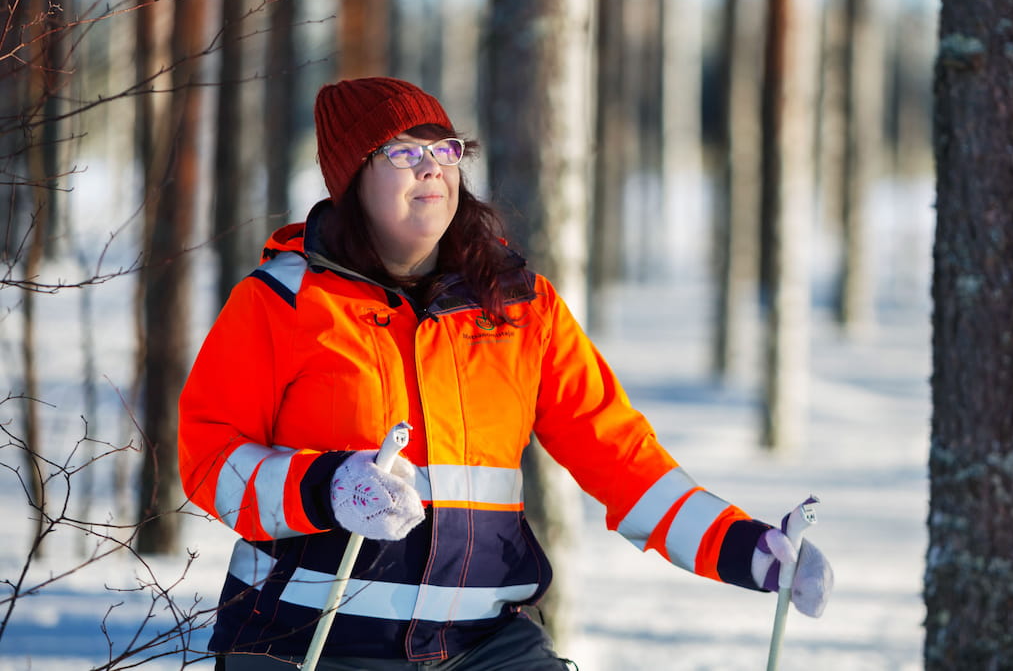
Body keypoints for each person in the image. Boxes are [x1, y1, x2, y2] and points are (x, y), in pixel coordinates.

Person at [178, 77, 832, 670]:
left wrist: (745, 547)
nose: (432, 167)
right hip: (309, 640)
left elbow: (623, 460)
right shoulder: (282, 301)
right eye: (405, 152)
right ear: (352, 179)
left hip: (481, 648)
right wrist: (323, 485)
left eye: (447, 150)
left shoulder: (517, 307)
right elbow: (208, 459)